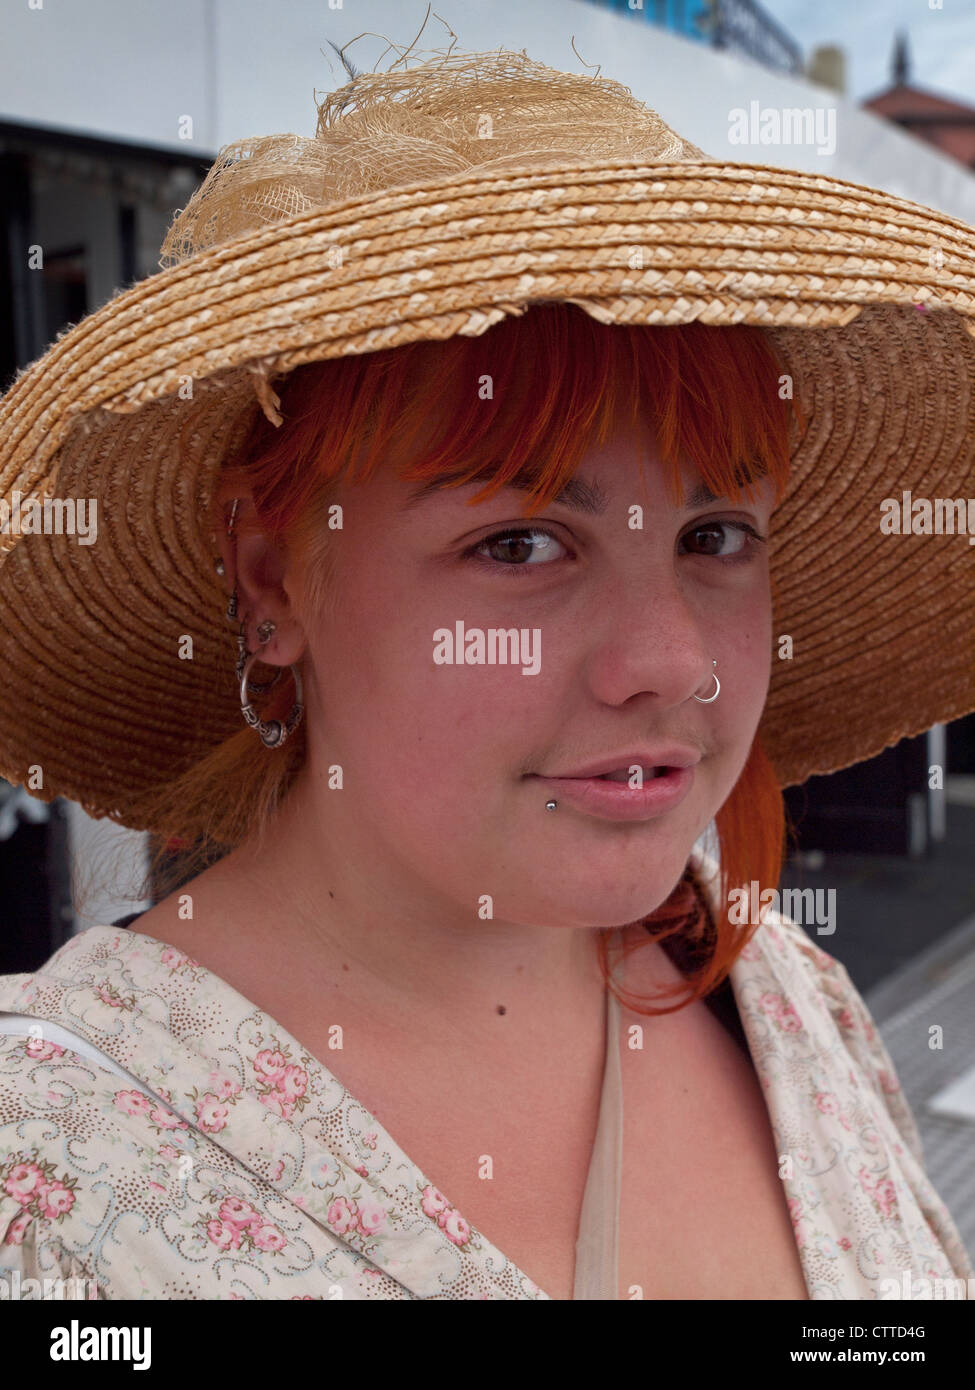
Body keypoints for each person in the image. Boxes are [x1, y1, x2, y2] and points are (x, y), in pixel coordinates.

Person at [0, 44, 973, 1302]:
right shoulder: (54, 1176)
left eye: (716, 535)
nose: (670, 661)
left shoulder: (792, 1003)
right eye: (519, 542)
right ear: (272, 582)